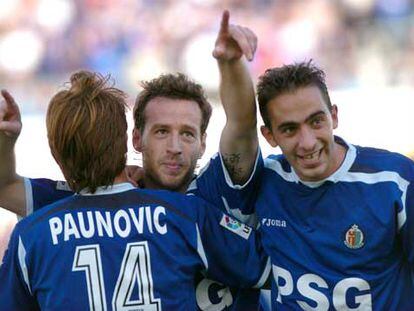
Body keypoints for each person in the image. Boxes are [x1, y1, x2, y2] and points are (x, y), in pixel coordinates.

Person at [0, 11, 267, 311]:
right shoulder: (183, 214)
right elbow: (5, 188)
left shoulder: (216, 187)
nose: (175, 147)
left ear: (205, 142)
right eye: (162, 132)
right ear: (135, 139)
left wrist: (231, 65)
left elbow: (242, 128)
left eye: (188, 134)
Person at [218, 58, 414, 309]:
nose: (308, 142)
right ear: (269, 136)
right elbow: (239, 128)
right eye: (289, 129)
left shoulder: (394, 181)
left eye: (316, 121)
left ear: (334, 116)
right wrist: (231, 62)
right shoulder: (264, 181)